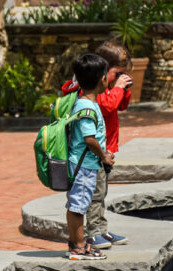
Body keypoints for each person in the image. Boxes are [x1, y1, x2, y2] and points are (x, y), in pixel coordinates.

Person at [62, 40, 133, 249]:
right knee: (94, 193)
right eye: (116, 73)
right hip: (93, 155)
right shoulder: (90, 94)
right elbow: (109, 106)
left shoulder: (105, 88)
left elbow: (121, 106)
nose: (118, 78)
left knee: (101, 192)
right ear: (103, 72)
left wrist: (123, 89)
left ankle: (101, 229)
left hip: (105, 149)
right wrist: (117, 88)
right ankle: (93, 233)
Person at [66, 53, 115, 260]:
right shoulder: (86, 106)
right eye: (106, 76)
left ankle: (78, 243)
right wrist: (103, 155)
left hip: (84, 164)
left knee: (79, 204)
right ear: (101, 79)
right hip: (83, 166)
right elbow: (89, 139)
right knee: (78, 206)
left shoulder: (87, 103)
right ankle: (78, 247)